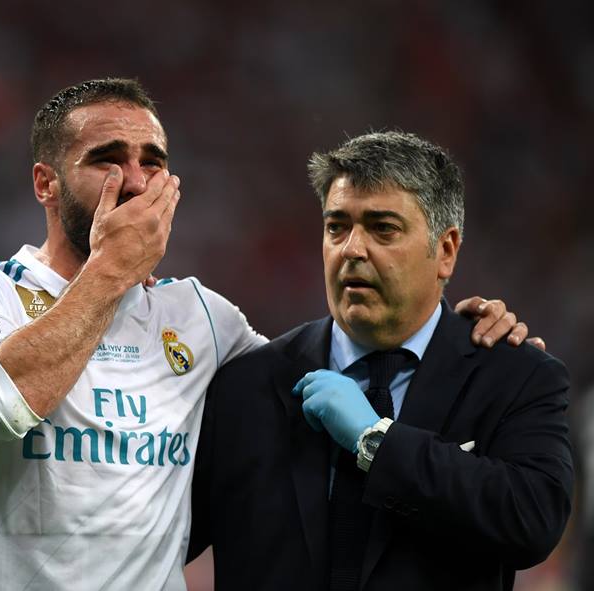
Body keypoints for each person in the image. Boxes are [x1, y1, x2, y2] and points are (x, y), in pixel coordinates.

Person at [0, 80, 535, 590]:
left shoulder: (202, 318)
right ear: (45, 182)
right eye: (107, 159)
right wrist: (111, 270)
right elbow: (6, 403)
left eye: (153, 163)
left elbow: (335, 370)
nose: (136, 181)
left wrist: (464, 342)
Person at [187, 131, 573, 590]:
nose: (352, 249)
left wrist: (377, 442)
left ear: (445, 250)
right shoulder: (246, 385)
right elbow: (160, 538)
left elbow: (533, 521)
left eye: (383, 228)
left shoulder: (515, 377)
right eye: (337, 227)